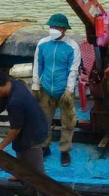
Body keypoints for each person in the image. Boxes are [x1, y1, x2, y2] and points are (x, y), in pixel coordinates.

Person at [0, 66, 55, 196]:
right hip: (30, 127)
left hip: (33, 134)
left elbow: (15, 130)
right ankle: (21, 172)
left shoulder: (16, 101)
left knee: (38, 173)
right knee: (19, 145)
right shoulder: (15, 84)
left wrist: (2, 145)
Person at [32, 12, 82, 166]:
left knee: (68, 122)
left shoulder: (72, 47)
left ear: (63, 29)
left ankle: (65, 150)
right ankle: (44, 146)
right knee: (44, 120)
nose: (52, 29)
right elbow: (38, 65)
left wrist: (68, 90)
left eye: (56, 27)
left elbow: (73, 70)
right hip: (46, 88)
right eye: (51, 26)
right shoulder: (42, 44)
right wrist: (35, 85)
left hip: (64, 89)